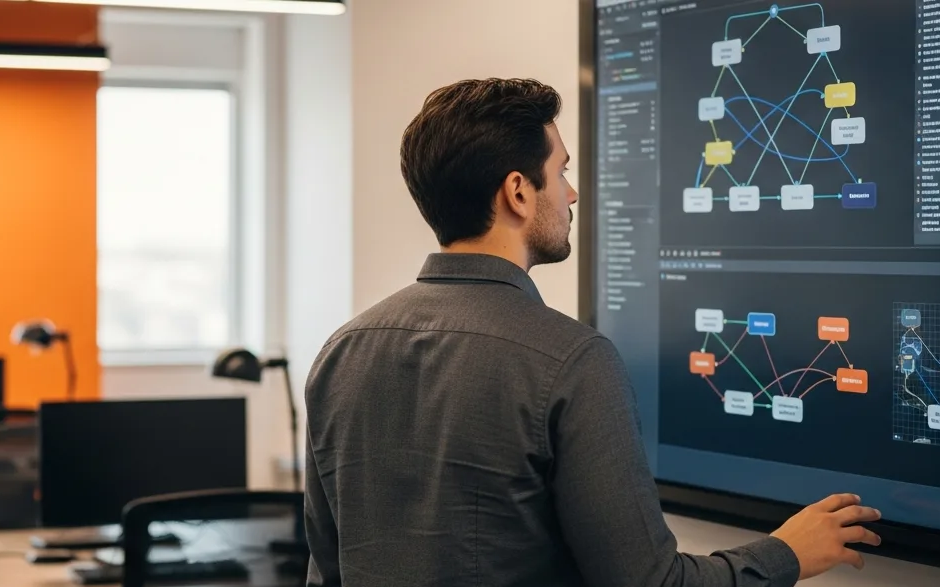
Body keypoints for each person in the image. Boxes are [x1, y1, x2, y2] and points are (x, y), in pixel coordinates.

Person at [301, 78, 882, 587]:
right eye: (563, 173)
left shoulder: (343, 350)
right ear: (519, 192)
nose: (572, 195)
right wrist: (785, 554)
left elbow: (327, 570)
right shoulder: (570, 359)